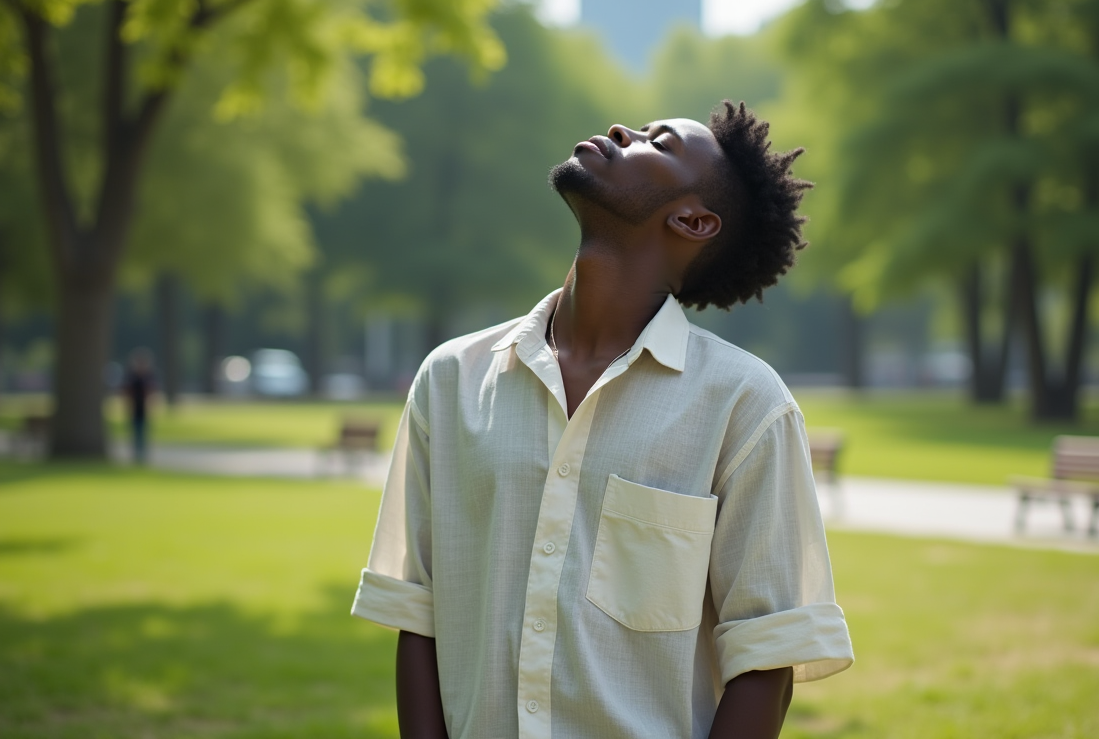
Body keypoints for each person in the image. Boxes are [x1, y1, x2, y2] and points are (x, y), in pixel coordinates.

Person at [352, 101, 854, 739]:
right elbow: (418, 615)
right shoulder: (452, 378)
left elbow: (766, 654)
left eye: (659, 141)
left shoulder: (744, 405)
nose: (624, 130)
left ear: (693, 221)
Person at [123, 347, 155, 464]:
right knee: (135, 433)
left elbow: (151, 392)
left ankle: (142, 455)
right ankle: (136, 455)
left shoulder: (148, 376)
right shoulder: (132, 377)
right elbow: (127, 392)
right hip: (134, 409)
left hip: (144, 409)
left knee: (143, 433)